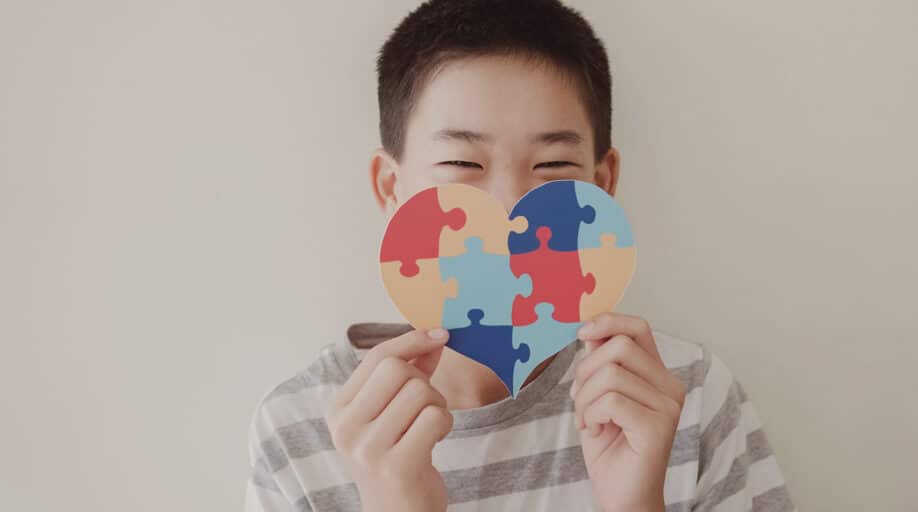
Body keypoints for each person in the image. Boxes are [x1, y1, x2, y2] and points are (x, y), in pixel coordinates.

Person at [245, 1, 794, 510]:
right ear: (392, 188)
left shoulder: (685, 398)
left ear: (601, 188)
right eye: (463, 165)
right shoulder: (301, 432)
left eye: (553, 167)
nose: (510, 210)